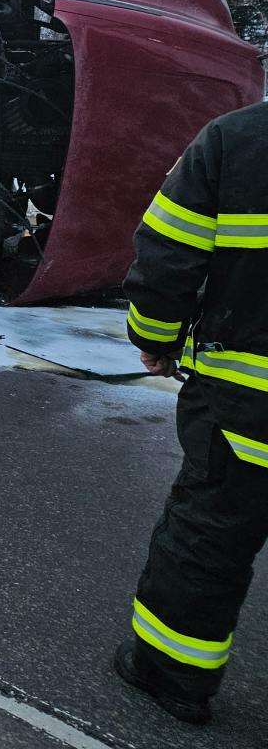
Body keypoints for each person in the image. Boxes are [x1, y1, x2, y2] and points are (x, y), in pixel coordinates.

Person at [116, 100, 268, 725]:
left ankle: (171, 677)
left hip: (247, 409)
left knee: (209, 539)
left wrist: (155, 339)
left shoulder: (238, 140)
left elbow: (167, 255)